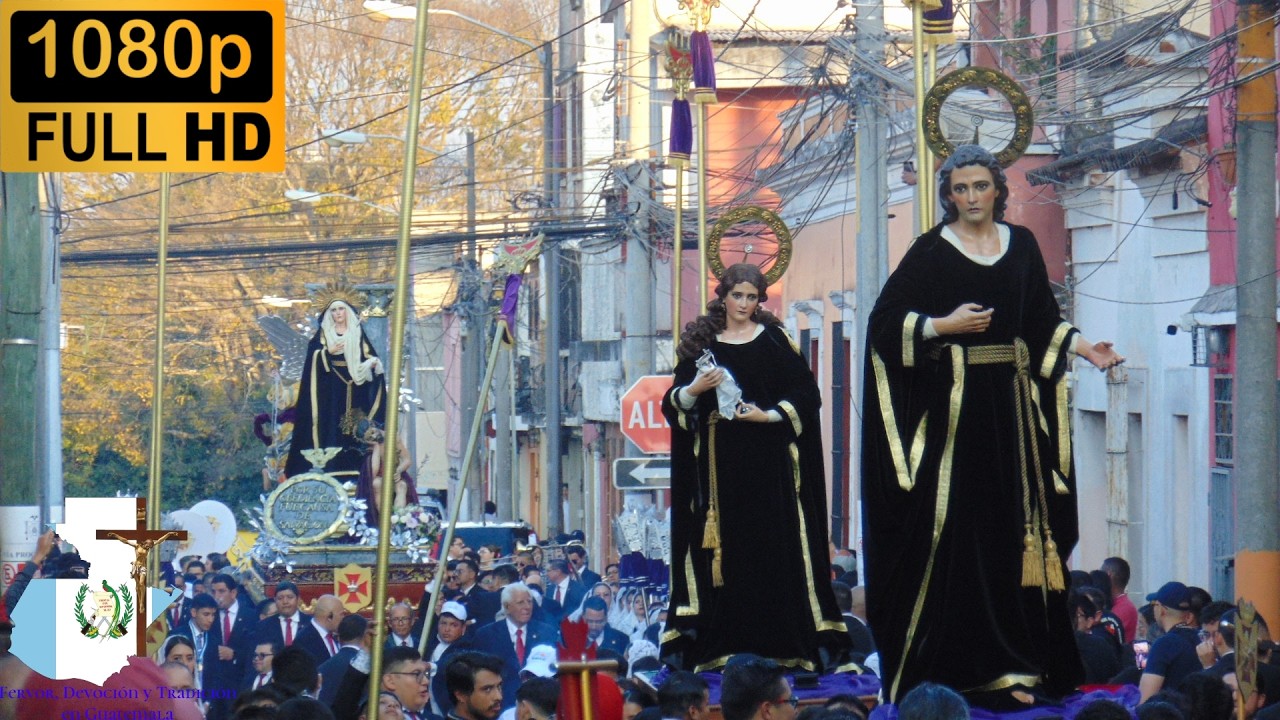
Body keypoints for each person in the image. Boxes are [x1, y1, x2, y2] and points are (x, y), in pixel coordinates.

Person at [861, 144, 1124, 708]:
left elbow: (1042, 322)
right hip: (956, 420)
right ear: (948, 195)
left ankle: (1019, 668)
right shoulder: (931, 251)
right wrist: (942, 325)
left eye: (981, 186)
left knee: (1017, 539)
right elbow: (885, 325)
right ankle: (958, 669)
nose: (972, 197)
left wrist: (1086, 351)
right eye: (961, 188)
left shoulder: (1022, 245)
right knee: (960, 540)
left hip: (1014, 419)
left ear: (998, 190)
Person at [662, 262, 852, 672]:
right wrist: (697, 388)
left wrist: (766, 416)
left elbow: (806, 393)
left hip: (770, 470)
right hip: (718, 471)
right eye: (737, 296)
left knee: (774, 550)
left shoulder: (777, 342)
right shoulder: (701, 344)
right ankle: (718, 646)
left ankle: (785, 644)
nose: (744, 304)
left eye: (752, 297)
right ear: (723, 296)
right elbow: (672, 404)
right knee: (722, 559)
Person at [285, 290, 387, 479]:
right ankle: (329, 467)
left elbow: (368, 359)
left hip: (357, 391)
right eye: (333, 310)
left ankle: (357, 469)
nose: (338, 313)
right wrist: (326, 352)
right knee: (330, 428)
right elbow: (312, 362)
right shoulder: (323, 336)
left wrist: (372, 364)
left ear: (347, 311)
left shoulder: (357, 334)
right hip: (330, 391)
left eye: (341, 309)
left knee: (355, 431)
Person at [356, 421, 420, 529]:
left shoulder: (393, 437)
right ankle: (385, 521)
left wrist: (399, 470)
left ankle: (398, 521)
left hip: (395, 472)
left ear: (374, 426)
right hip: (379, 476)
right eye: (369, 437)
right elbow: (373, 472)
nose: (374, 436)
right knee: (377, 484)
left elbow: (407, 459)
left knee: (402, 486)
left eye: (372, 432)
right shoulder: (371, 447)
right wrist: (376, 447)